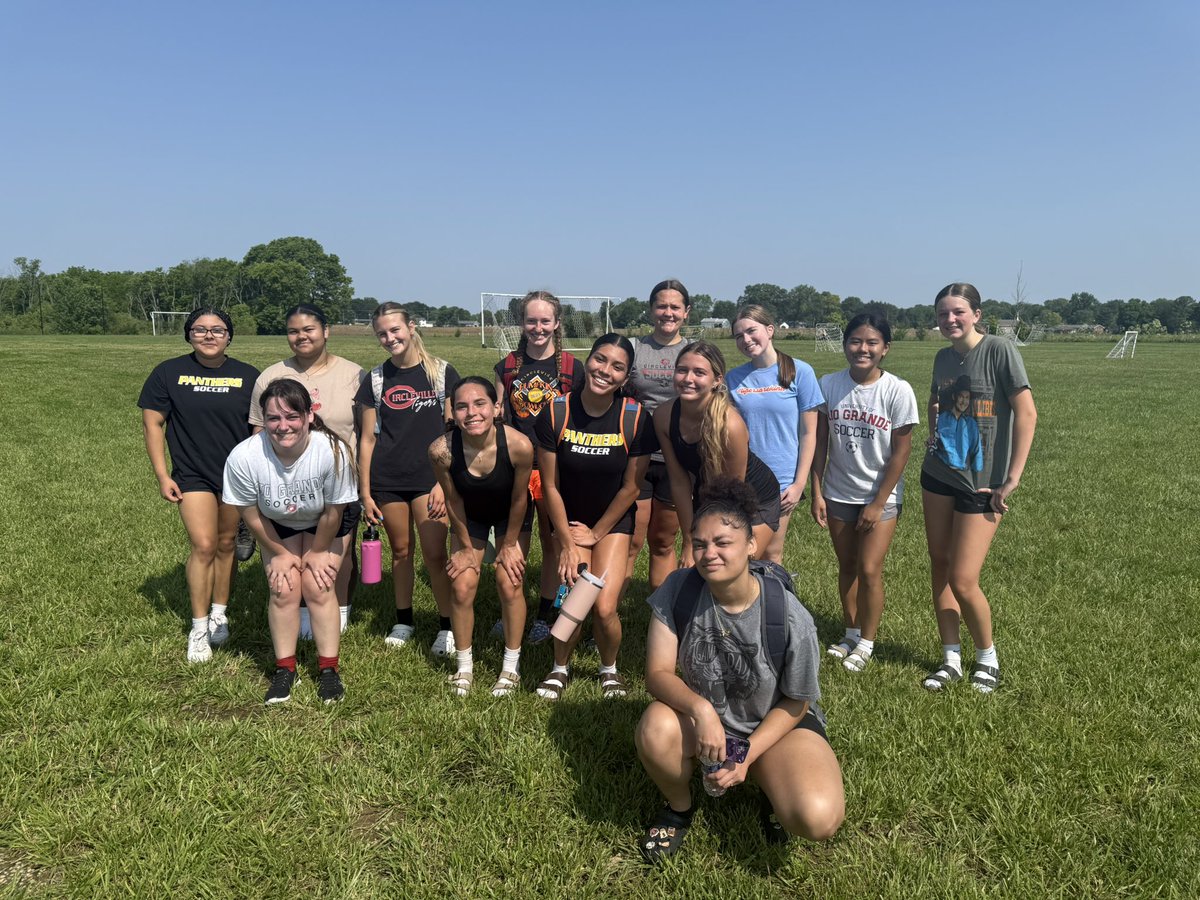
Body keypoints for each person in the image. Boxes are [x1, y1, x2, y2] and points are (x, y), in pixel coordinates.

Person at [634, 477, 844, 862]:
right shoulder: (678, 590)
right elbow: (658, 674)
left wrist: (747, 754)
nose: (708, 553)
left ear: (751, 545)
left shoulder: (789, 616)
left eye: (722, 543)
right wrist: (700, 710)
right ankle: (679, 808)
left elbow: (798, 701)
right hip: (706, 721)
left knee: (818, 818)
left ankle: (770, 785)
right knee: (655, 727)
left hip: (776, 726)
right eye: (699, 544)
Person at [921, 283, 1037, 694]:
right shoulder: (941, 358)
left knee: (964, 578)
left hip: (983, 483)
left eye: (957, 312)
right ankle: (950, 656)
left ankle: (987, 656)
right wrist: (934, 434)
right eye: (942, 314)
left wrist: (1012, 478)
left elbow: (1026, 413)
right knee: (940, 563)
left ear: (976, 314)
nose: (949, 320)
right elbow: (936, 401)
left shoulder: (1000, 350)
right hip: (938, 474)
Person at [533, 334, 655, 701]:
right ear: (588, 361)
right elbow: (550, 487)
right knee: (573, 599)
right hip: (569, 520)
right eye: (600, 360)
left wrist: (596, 533)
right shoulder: (557, 411)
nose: (606, 371)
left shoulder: (634, 417)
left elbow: (632, 488)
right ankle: (559, 668)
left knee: (603, 607)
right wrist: (567, 543)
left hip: (612, 523)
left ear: (626, 374)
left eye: (617, 366)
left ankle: (609, 669)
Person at [222, 378, 359, 704]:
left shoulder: (333, 450)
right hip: (276, 522)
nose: (283, 426)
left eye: (292, 417)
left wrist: (318, 551)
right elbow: (250, 513)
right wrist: (279, 553)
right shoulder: (244, 457)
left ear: (309, 416)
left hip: (327, 522)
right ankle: (285, 669)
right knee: (283, 589)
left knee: (317, 585)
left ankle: (328, 671)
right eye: (273, 418)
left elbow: (333, 512)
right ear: (263, 419)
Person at [139, 307, 258, 663]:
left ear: (229, 336)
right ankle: (199, 626)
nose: (209, 336)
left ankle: (220, 611)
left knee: (225, 544)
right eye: (200, 330)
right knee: (204, 545)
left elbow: (259, 429)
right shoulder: (168, 373)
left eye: (217, 330)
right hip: (192, 475)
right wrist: (163, 475)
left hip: (236, 476)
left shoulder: (248, 376)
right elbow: (152, 424)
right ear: (188, 334)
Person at [249, 304, 366, 638]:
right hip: (284, 484)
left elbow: (367, 432)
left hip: (338, 482)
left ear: (326, 331)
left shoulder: (354, 375)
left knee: (337, 554)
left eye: (309, 329)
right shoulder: (270, 376)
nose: (301, 337)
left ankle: (339, 608)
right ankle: (299, 612)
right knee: (288, 551)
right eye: (293, 331)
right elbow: (259, 432)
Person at [810, 314, 919, 672]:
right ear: (845, 345)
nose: (863, 349)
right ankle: (851, 632)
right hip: (838, 491)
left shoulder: (897, 390)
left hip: (880, 497)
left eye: (872, 343)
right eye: (856, 341)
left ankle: (868, 642)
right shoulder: (829, 385)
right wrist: (817, 490)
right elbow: (820, 442)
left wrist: (877, 502)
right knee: (848, 567)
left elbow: (901, 452)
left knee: (870, 569)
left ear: (885, 349)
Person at [356, 303, 460, 656]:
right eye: (382, 333)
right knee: (400, 551)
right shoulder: (375, 378)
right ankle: (404, 619)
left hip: (430, 479)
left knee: (434, 553)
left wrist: (442, 482)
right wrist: (365, 491)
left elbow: (454, 433)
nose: (390, 338)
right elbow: (368, 438)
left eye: (395, 330)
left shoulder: (442, 373)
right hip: (388, 478)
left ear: (411, 327)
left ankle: (447, 625)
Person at [428, 377, 535, 697]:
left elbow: (519, 500)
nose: (471, 413)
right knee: (461, 585)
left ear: (496, 408)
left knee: (509, 581)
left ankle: (510, 667)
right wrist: (462, 547)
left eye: (480, 404)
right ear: (453, 412)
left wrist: (510, 545)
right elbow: (453, 500)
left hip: (510, 517)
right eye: (462, 406)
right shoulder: (441, 450)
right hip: (469, 516)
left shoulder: (519, 446)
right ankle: (464, 667)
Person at [493, 291, 584, 643]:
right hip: (515, 466)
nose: (538, 327)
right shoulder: (508, 365)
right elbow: (502, 412)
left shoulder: (573, 368)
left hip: (553, 467)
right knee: (512, 539)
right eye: (531, 320)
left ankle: (546, 613)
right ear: (522, 323)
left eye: (545, 321)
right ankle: (511, 609)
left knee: (552, 543)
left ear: (557, 323)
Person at [655, 341, 781, 561]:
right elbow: (679, 481)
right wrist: (689, 539)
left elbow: (732, 495)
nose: (688, 379)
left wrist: (710, 542)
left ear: (717, 380)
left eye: (699, 373)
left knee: (733, 566)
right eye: (682, 370)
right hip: (708, 491)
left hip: (753, 498)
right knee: (702, 564)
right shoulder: (663, 416)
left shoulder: (730, 426)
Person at [727, 305, 822, 563]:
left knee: (769, 552)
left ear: (770, 330)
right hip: (744, 477)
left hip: (781, 480)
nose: (746, 340)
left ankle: (773, 601)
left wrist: (798, 484)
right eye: (738, 336)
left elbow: (809, 433)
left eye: (751, 331)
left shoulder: (800, 371)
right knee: (740, 551)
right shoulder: (733, 379)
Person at [625, 279, 693, 590]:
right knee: (631, 540)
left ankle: (660, 618)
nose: (668, 312)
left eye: (674, 307)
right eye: (661, 306)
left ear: (686, 312)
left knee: (663, 542)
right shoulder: (635, 349)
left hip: (676, 461)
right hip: (635, 456)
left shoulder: (692, 352)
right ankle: (606, 612)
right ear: (651, 310)